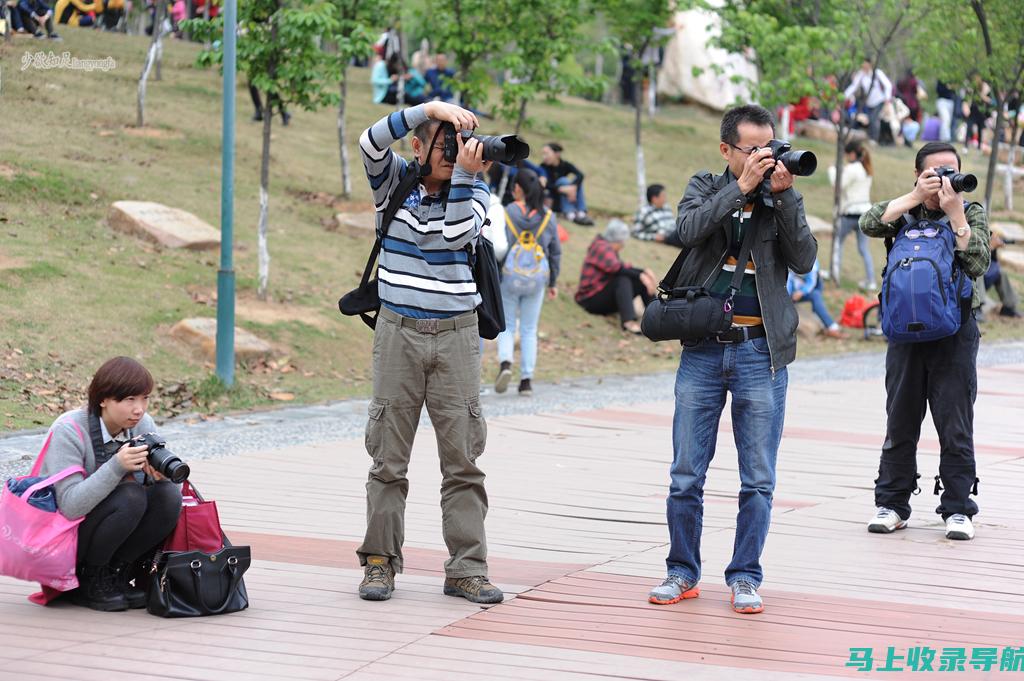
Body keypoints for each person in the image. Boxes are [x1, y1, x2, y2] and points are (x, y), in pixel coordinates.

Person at [647, 105, 816, 615]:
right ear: (727, 150)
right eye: (753, 149)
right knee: (685, 473)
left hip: (761, 352)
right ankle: (682, 572)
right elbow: (689, 230)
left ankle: (745, 576)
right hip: (702, 351)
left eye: (770, 146)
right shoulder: (705, 184)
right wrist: (739, 188)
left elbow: (805, 259)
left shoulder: (781, 195)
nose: (764, 157)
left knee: (758, 477)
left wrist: (782, 197)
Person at [356, 100, 503, 604]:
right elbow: (368, 141)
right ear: (417, 146)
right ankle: (379, 562)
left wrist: (465, 173)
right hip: (398, 331)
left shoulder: (477, 187)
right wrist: (428, 107)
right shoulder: (393, 180)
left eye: (457, 142)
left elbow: (454, 235)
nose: (453, 152)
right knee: (387, 459)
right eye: (443, 141)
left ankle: (467, 568)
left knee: (463, 459)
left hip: (457, 335)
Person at [860, 142, 990, 541]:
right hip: (904, 332)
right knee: (899, 419)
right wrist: (915, 196)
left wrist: (955, 216)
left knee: (955, 422)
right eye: (935, 172)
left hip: (954, 332)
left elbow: (978, 262)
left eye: (951, 171)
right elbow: (868, 222)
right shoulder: (903, 212)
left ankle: (958, 508)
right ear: (918, 174)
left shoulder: (970, 212)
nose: (945, 179)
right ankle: (892, 504)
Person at [38, 357, 182, 612]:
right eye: (129, 400)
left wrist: (159, 477)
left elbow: (160, 493)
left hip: (108, 526)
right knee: (131, 496)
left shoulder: (143, 425)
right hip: (62, 541)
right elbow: (70, 506)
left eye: (144, 398)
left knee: (168, 496)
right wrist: (117, 466)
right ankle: (89, 578)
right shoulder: (69, 429)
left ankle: (117, 574)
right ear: (103, 399)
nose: (139, 409)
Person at [494, 169, 562, 397]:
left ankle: (505, 363)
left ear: (519, 189)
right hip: (536, 279)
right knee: (530, 329)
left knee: (507, 324)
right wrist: (553, 281)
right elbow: (555, 252)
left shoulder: (507, 212)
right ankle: (526, 380)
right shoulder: (548, 216)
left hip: (509, 277)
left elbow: (499, 245)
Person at [574, 219, 656, 334]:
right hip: (589, 300)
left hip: (600, 294)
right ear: (616, 240)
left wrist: (644, 273)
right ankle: (628, 322)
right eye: (622, 242)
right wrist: (641, 275)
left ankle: (656, 314)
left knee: (636, 281)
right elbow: (618, 268)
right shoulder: (601, 247)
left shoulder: (607, 246)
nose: (622, 246)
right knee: (622, 280)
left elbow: (623, 267)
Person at [828, 140, 876, 289]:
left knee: (837, 242)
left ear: (852, 154)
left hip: (850, 213)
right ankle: (871, 281)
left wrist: (832, 170)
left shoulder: (852, 168)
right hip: (865, 213)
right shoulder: (866, 168)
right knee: (863, 248)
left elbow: (837, 184)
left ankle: (834, 273)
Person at [540, 142, 594, 225]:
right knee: (563, 180)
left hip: (567, 196)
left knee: (576, 182)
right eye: (543, 154)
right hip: (552, 198)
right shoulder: (543, 167)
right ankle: (570, 213)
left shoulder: (564, 165)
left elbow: (580, 175)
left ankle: (581, 213)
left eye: (546, 154)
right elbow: (546, 185)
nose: (544, 157)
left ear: (557, 154)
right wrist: (561, 189)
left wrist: (573, 188)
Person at [787, 259, 843, 338]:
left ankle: (831, 326)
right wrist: (786, 296)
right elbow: (787, 279)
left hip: (806, 291)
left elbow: (811, 282)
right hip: (789, 293)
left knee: (816, 295)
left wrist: (802, 292)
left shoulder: (810, 260)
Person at [844, 60, 893, 143]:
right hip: (869, 102)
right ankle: (870, 137)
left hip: (879, 100)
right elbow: (854, 86)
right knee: (869, 119)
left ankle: (874, 139)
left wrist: (887, 99)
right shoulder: (861, 74)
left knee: (874, 119)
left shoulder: (877, 73)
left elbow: (888, 85)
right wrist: (844, 96)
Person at [983, 231, 1021, 319]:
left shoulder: (986, 231)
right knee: (979, 275)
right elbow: (976, 261)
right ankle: (978, 308)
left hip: (983, 276)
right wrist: (991, 246)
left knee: (1000, 272)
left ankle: (1008, 307)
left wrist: (994, 247)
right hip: (972, 277)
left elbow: (992, 262)